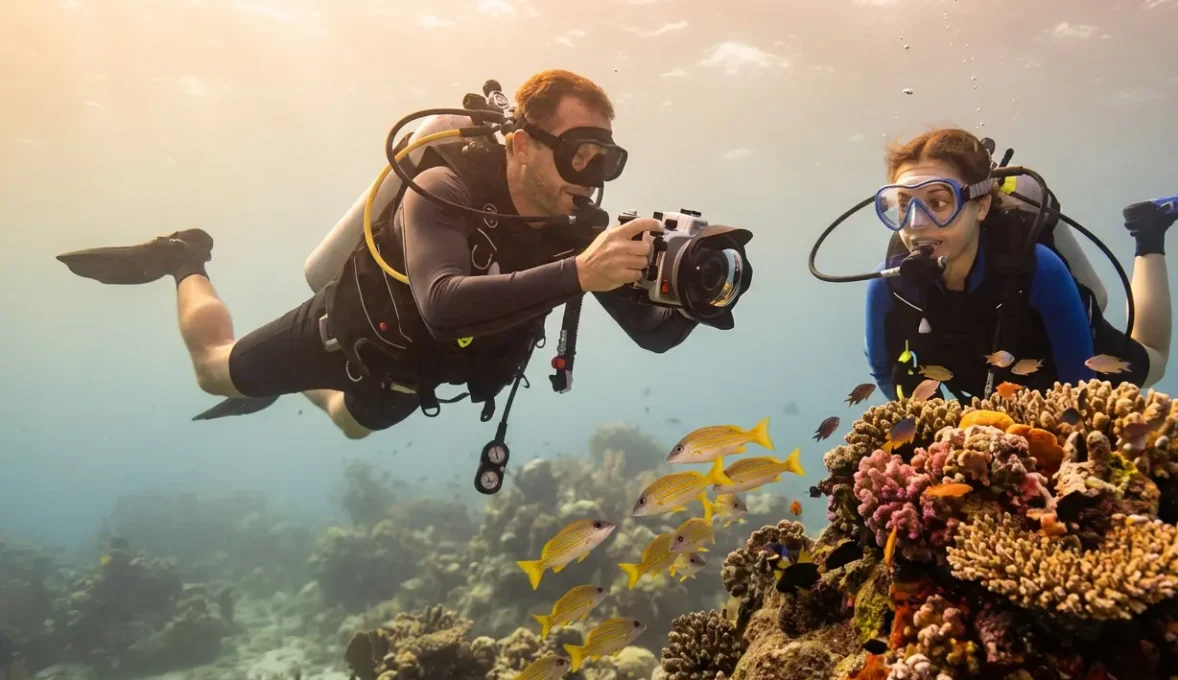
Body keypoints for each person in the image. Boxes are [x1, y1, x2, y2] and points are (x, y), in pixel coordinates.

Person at [56, 69, 707, 439]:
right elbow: (442, 304)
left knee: (349, 425)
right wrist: (581, 272)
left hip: (415, 378)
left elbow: (656, 339)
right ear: (521, 144)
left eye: (606, 158)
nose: (590, 175)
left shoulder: (579, 229)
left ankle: (287, 388)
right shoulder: (446, 184)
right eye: (578, 152)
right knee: (213, 369)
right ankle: (185, 259)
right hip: (345, 334)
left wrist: (695, 292)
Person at [863, 128, 1175, 402]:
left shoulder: (1036, 267)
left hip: (1068, 361)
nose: (916, 224)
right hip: (982, 384)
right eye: (903, 204)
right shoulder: (888, 284)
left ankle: (1148, 234)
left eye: (938, 203)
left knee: (1155, 364)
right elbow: (883, 372)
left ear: (981, 206)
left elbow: (1079, 384)